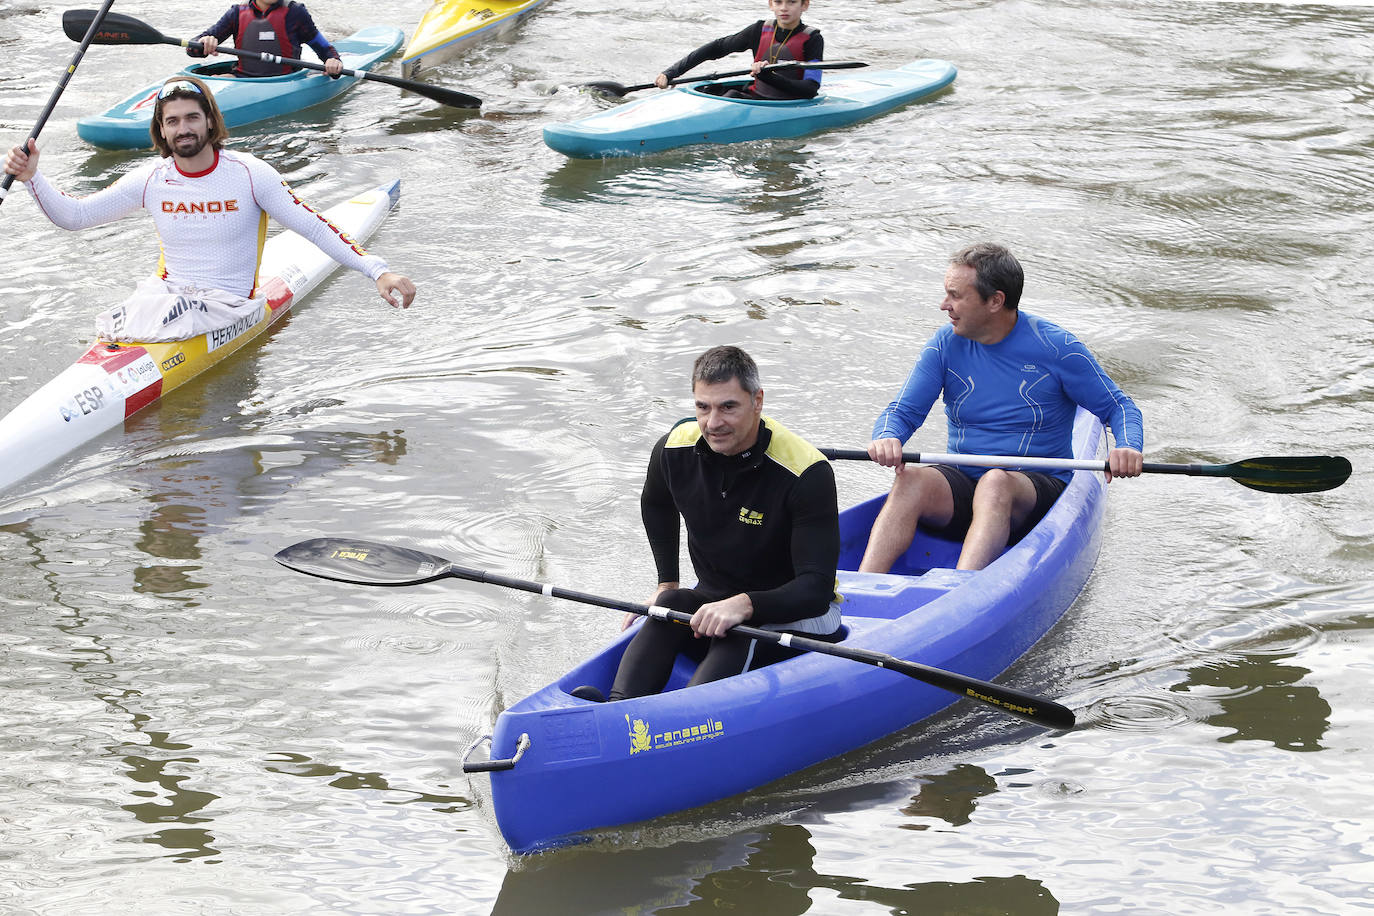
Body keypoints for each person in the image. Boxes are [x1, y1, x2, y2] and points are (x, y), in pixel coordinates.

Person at [2, 75, 414, 342]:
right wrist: (33, 177)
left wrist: (378, 271)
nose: (183, 128)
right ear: (161, 130)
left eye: (192, 118)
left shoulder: (250, 174)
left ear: (210, 123)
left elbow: (316, 228)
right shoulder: (150, 179)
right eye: (173, 121)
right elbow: (74, 218)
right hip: (166, 297)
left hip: (228, 308)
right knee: (114, 323)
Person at [861, 243, 1144, 573]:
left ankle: (961, 590)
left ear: (995, 301)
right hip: (966, 485)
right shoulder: (944, 344)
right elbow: (903, 411)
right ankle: (858, 589)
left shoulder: (1057, 347)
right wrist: (887, 436)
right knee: (910, 479)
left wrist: (1127, 447)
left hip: (1035, 494)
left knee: (995, 483)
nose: (944, 305)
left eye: (955, 296)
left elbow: (1119, 407)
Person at [601, 345, 843, 702]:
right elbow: (655, 502)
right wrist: (665, 579)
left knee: (743, 631)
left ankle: (687, 723)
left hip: (802, 616)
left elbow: (815, 590)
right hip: (717, 603)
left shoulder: (807, 472)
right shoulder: (672, 449)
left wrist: (744, 604)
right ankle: (617, 707)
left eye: (728, 407)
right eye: (703, 407)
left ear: (757, 401)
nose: (713, 423)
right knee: (673, 602)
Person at [653, 0, 823, 100]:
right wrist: (671, 73)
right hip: (755, 96)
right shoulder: (759, 30)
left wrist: (768, 77)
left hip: (787, 103)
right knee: (711, 90)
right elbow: (716, 48)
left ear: (805, 5)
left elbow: (810, 89)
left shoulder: (812, 39)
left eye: (792, 1)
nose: (784, 8)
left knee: (732, 95)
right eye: (778, 1)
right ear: (771, 4)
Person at [190, 0, 344, 79]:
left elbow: (325, 49)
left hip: (285, 81)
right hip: (242, 79)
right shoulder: (236, 13)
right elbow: (192, 49)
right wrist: (204, 43)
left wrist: (333, 62)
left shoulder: (296, 13)